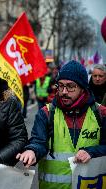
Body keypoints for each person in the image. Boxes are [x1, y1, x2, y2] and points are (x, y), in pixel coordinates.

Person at [16, 60, 106, 189]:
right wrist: (32, 151)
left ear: (83, 88)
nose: (64, 91)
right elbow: (38, 141)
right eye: (60, 85)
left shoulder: (101, 113)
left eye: (70, 86)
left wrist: (92, 152)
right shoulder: (46, 113)